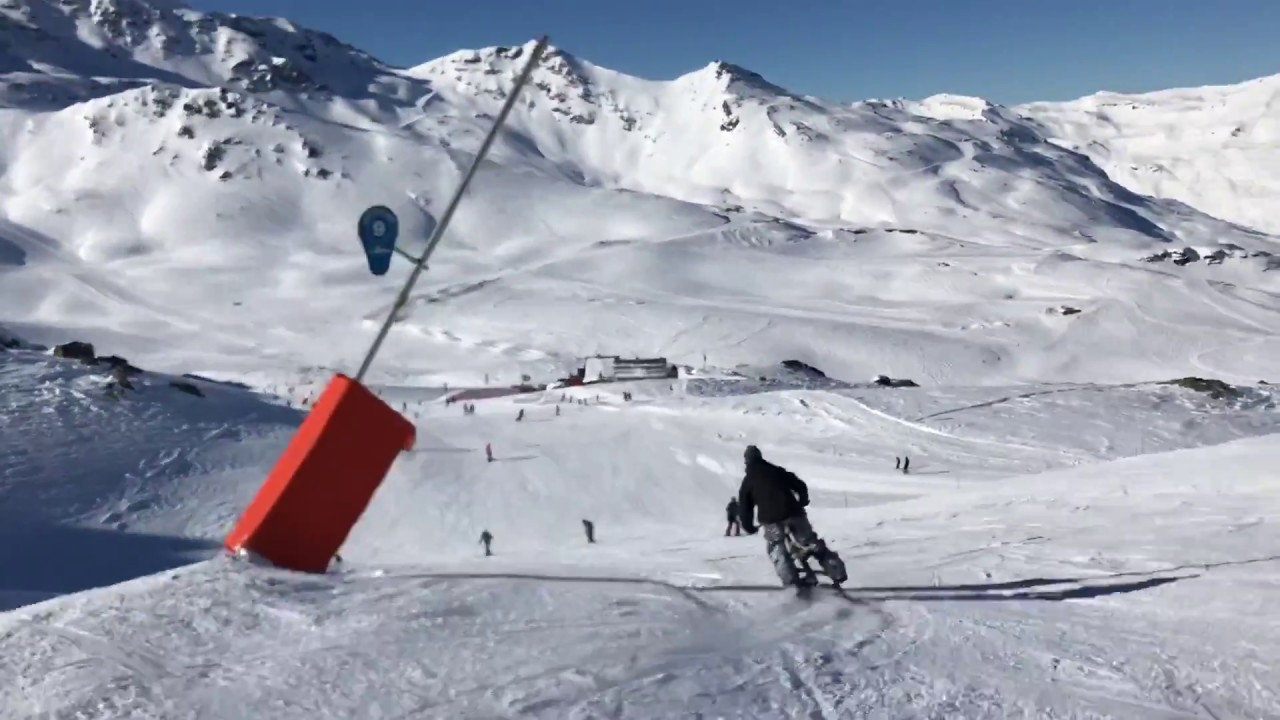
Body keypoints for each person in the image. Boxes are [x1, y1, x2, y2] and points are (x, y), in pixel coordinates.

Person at [737, 444, 847, 587]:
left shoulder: (748, 481)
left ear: (747, 462)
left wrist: (749, 527)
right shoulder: (776, 471)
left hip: (771, 520)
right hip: (794, 513)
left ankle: (791, 581)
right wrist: (803, 500)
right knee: (811, 542)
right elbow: (799, 484)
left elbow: (745, 507)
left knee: (777, 548)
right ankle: (836, 570)